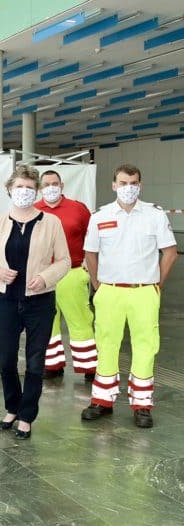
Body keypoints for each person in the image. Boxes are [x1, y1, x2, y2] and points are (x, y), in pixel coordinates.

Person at [81, 163, 178, 429]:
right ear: (113, 185)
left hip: (143, 292)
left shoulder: (154, 215)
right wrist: (97, 283)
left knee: (146, 347)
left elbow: (169, 252)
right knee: (106, 344)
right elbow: (90, 252)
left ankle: (142, 405)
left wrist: (155, 284)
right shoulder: (100, 216)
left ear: (140, 185)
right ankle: (102, 400)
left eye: (133, 183)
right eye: (123, 183)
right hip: (109, 292)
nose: (128, 188)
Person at [0, 165, 70, 439]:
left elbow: (65, 260)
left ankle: (27, 415)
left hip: (40, 301)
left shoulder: (51, 222)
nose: (24, 192)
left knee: (34, 361)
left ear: (37, 191)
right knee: (6, 359)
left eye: (30, 188)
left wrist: (45, 277)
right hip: (6, 299)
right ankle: (12, 407)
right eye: (20, 187)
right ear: (9, 189)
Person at [34, 169, 96, 381]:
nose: (51, 187)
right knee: (46, 323)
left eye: (55, 183)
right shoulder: (33, 210)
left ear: (62, 186)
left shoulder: (78, 209)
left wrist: (92, 264)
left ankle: (89, 366)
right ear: (40, 188)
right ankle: (52, 365)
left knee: (80, 321)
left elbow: (93, 238)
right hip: (43, 277)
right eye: (46, 184)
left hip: (73, 273)